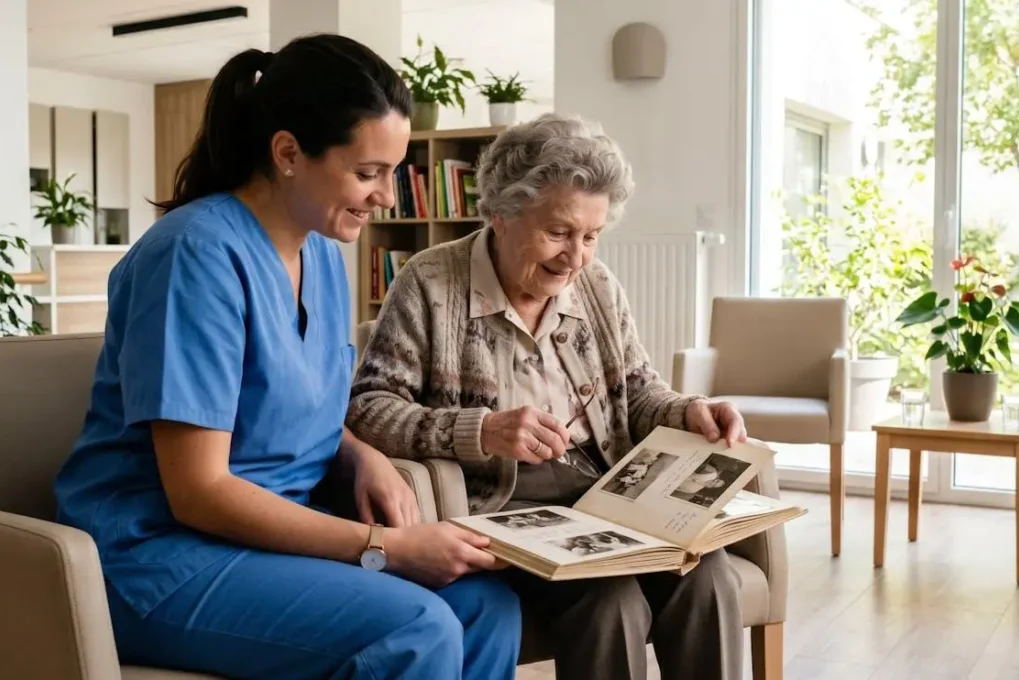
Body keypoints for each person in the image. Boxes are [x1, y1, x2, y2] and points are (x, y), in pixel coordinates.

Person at [52, 34, 521, 680]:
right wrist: (385, 547)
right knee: (418, 628)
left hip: (269, 541)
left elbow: (296, 397)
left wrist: (360, 453)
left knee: (486, 606)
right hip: (163, 558)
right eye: (368, 172)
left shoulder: (323, 254)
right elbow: (199, 492)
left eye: (394, 170)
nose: (387, 196)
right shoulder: (193, 255)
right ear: (288, 153)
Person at [347, 113, 749, 680]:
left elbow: (636, 391)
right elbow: (368, 409)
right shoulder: (430, 281)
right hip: (502, 505)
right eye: (559, 233)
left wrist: (687, 411)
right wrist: (481, 431)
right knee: (611, 601)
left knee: (707, 577)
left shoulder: (598, 285)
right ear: (500, 215)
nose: (577, 257)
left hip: (604, 488)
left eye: (592, 236)